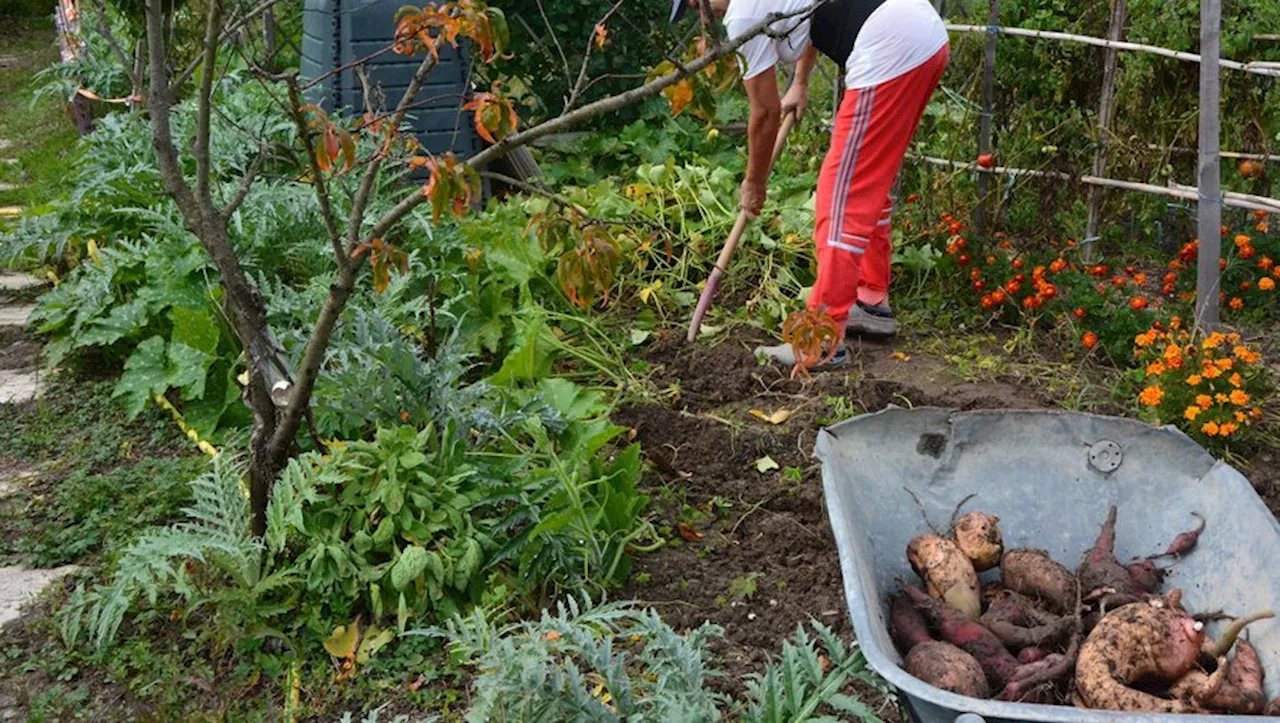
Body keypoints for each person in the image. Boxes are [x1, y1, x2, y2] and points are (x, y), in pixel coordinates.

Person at [672, 0, 948, 366]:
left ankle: (820, 337)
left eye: (694, 2)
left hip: (891, 44)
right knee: (868, 181)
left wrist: (754, 183)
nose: (700, 11)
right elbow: (809, 9)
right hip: (922, 36)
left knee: (841, 197)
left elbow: (765, 113)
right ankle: (871, 301)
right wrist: (800, 82)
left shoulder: (743, 14)